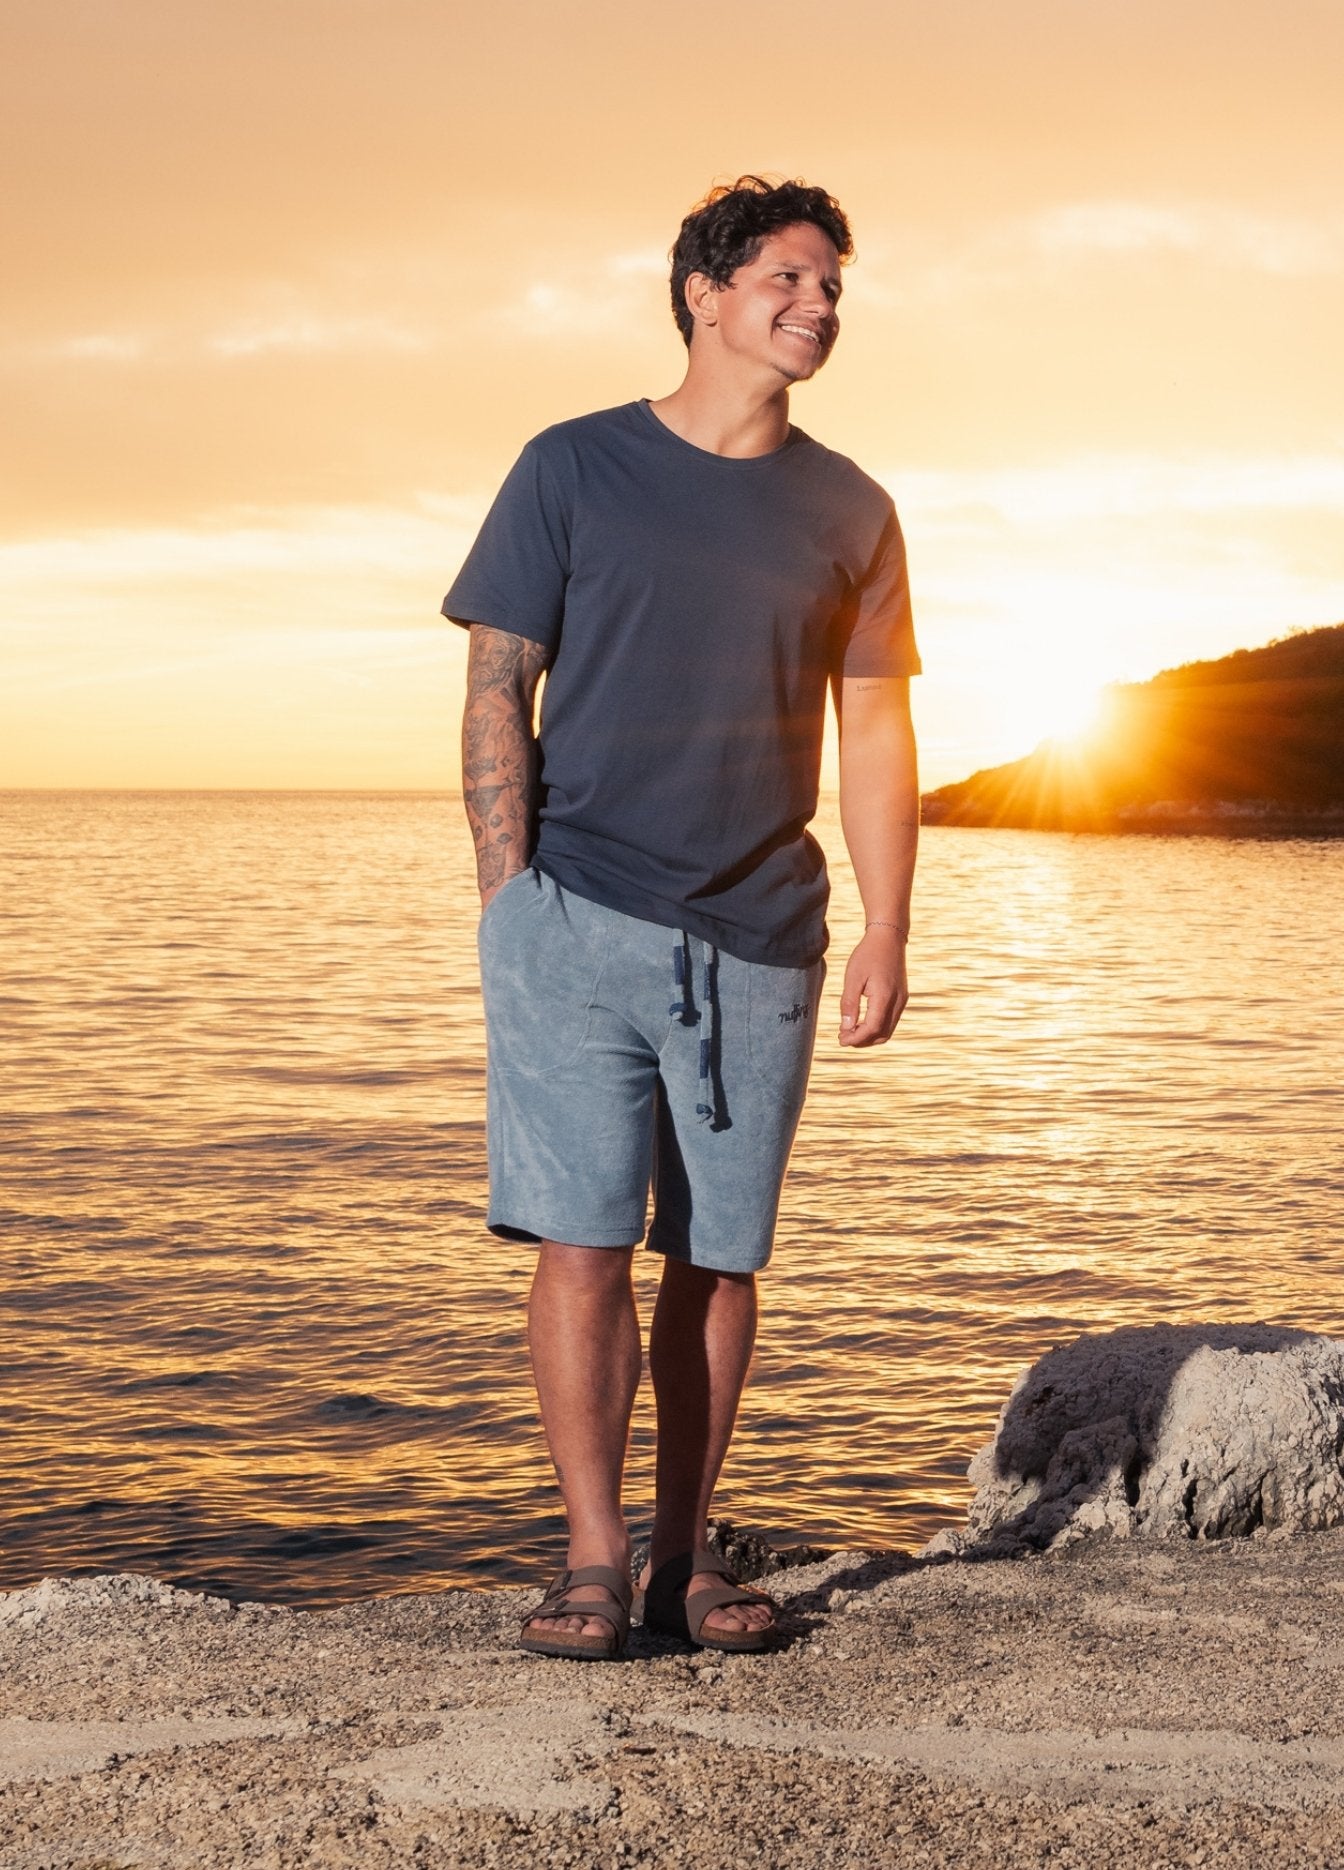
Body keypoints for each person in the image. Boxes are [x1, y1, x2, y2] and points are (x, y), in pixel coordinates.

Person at [443, 175, 920, 1661]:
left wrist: (889, 927)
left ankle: (683, 1558)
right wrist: (509, 902)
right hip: (573, 914)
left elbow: (875, 727)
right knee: (582, 1244)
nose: (818, 304)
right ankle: (592, 1561)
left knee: (718, 1257)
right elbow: (496, 681)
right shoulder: (571, 465)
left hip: (762, 935)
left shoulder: (852, 509)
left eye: (832, 285)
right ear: (705, 294)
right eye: (789, 277)